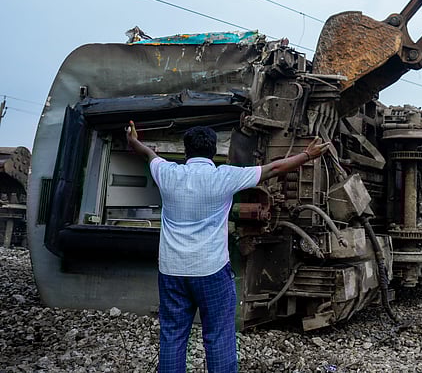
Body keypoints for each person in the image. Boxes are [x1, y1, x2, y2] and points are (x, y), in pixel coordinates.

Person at [126, 121, 329, 373]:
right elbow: (273, 168)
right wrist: (307, 155)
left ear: (186, 151)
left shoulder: (167, 173)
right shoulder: (225, 176)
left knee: (173, 334)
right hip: (211, 271)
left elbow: (149, 154)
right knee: (219, 336)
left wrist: (133, 141)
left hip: (172, 271)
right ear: (213, 151)